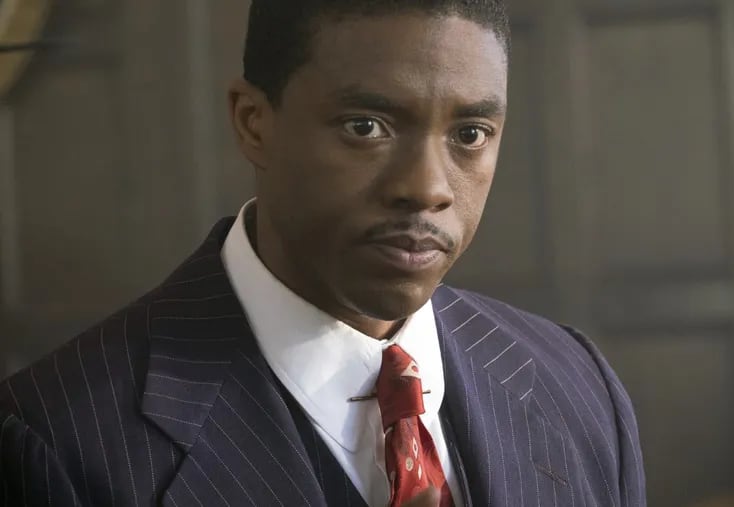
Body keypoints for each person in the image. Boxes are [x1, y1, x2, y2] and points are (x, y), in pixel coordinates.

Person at [0, 1, 646, 506]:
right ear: (254, 121)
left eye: (471, 134)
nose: (427, 187)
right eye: (366, 126)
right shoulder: (54, 438)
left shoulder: (577, 384)